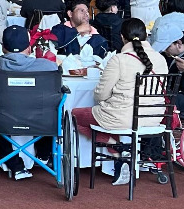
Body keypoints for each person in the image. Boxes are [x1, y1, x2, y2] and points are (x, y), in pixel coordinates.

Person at [73, 18, 170, 185]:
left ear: (122, 37)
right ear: (146, 36)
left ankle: (118, 149)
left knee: (73, 115)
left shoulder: (119, 59)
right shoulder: (161, 59)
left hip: (122, 118)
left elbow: (100, 95)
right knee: (111, 115)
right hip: (154, 118)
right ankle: (120, 152)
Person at [0, 25, 60, 180]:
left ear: (3, 48)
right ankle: (44, 154)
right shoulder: (49, 68)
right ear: (29, 48)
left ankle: (15, 165)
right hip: (40, 120)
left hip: (2, 120)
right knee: (51, 110)